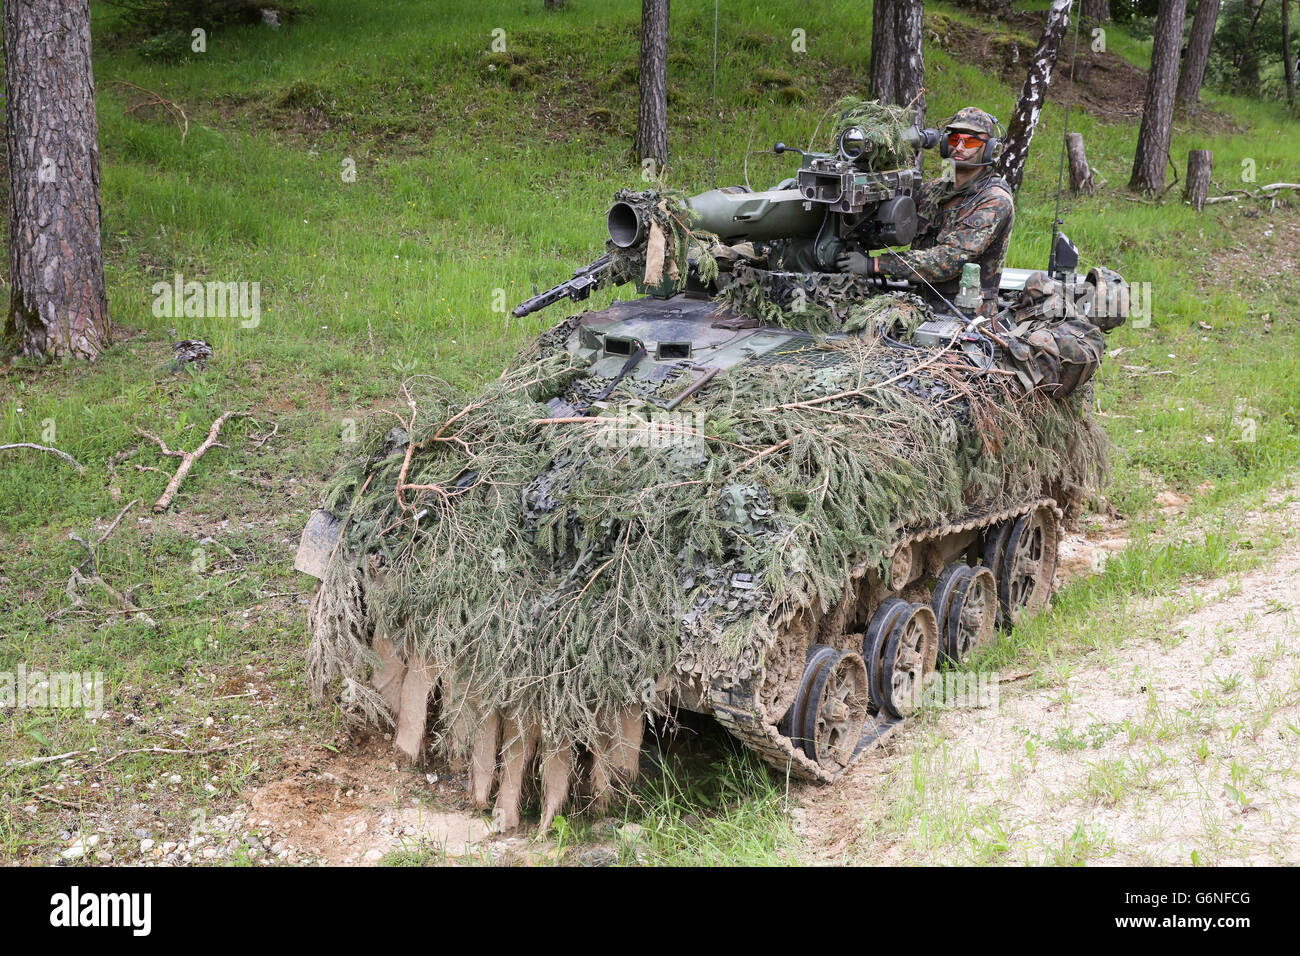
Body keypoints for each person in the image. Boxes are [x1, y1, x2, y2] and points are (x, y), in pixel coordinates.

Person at [836, 107, 1015, 318]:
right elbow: (892, 224)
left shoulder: (994, 200)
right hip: (921, 303)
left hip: (965, 317)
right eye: (955, 138)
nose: (959, 146)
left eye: (971, 142)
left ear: (990, 149)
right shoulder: (935, 190)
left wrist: (874, 264)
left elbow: (949, 259)